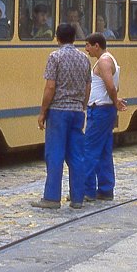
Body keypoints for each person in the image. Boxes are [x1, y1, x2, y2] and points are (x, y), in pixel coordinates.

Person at [32, 23, 91, 210]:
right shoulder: (84, 58)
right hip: (76, 111)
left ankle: (51, 197)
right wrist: (81, 105)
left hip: (58, 111)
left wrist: (42, 111)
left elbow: (50, 87)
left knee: (55, 154)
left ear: (57, 37)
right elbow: (88, 87)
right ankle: (77, 198)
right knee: (76, 156)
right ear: (74, 38)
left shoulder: (55, 57)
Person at [83, 33, 128, 202]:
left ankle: (87, 190)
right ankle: (106, 189)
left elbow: (110, 84)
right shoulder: (108, 59)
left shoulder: (103, 61)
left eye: (88, 45)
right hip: (105, 110)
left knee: (89, 150)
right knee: (103, 152)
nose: (86, 49)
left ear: (96, 45)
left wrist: (115, 100)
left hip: (100, 110)